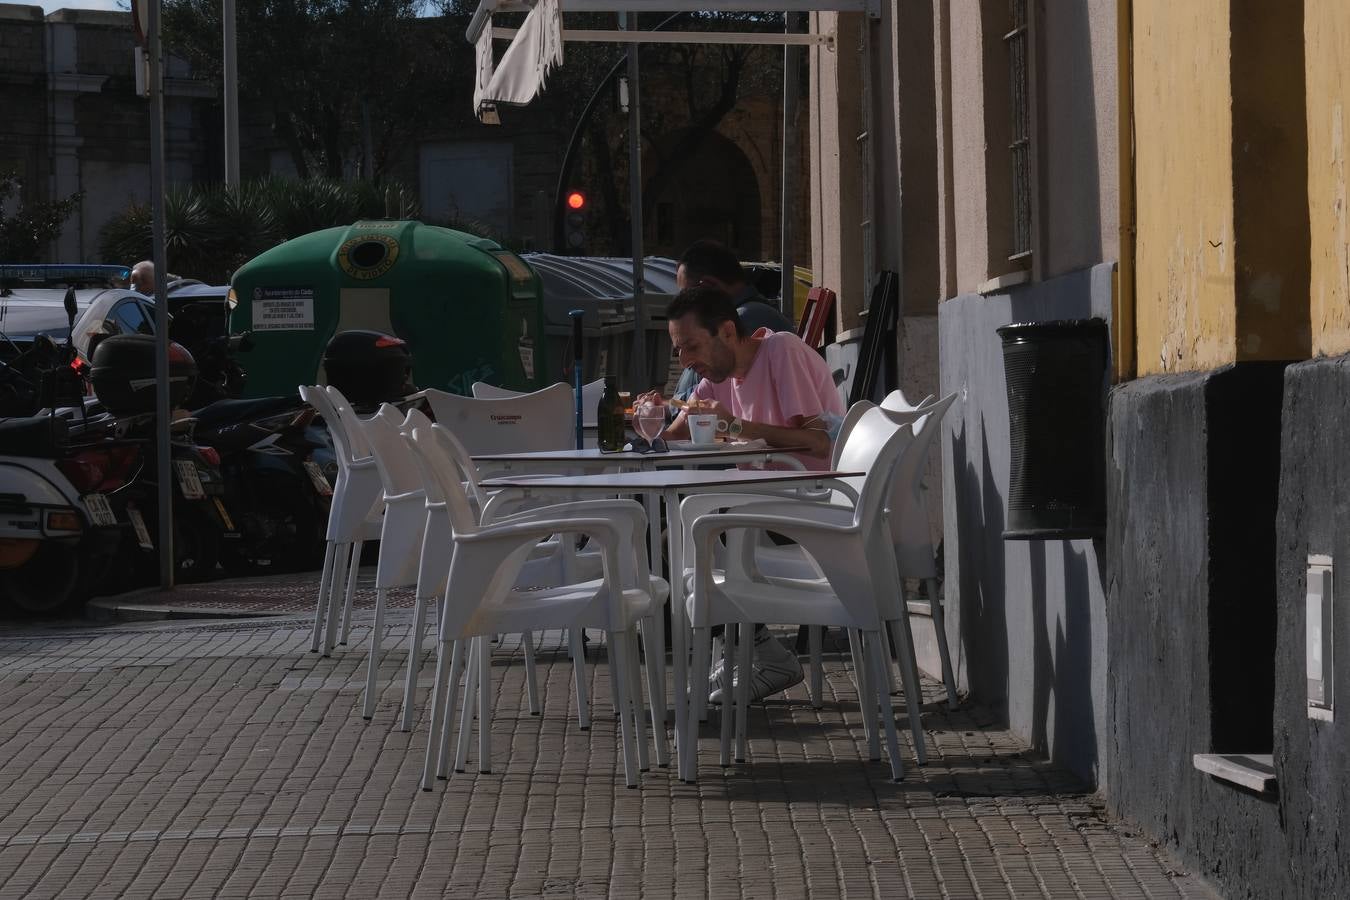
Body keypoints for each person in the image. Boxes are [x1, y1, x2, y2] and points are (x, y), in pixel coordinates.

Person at [641, 283, 845, 703]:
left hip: (814, 507)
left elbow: (819, 442)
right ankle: (752, 651)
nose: (686, 362)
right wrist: (650, 421)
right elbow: (673, 442)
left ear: (729, 332)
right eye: (679, 350)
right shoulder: (715, 378)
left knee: (688, 537)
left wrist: (733, 426)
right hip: (765, 508)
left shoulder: (779, 351)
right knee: (672, 538)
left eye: (693, 346)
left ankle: (759, 654)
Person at [671, 239, 794, 401]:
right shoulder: (741, 316)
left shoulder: (747, 318)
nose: (684, 361)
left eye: (687, 295)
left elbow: (715, 396)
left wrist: (670, 405)